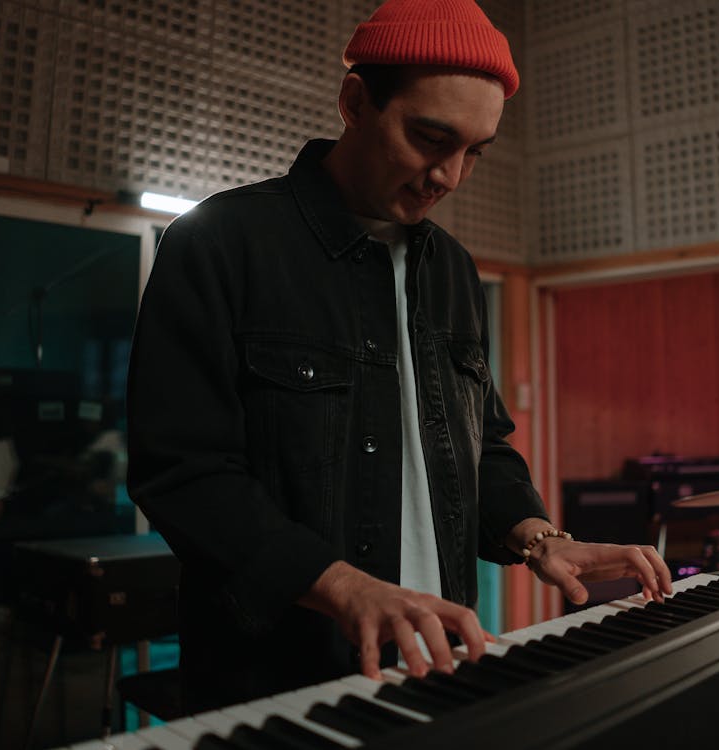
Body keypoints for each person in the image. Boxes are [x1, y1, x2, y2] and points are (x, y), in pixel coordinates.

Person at [127, 0, 672, 713]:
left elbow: (484, 447)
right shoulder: (220, 242)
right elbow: (183, 471)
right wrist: (345, 586)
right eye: (429, 137)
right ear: (356, 102)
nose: (447, 176)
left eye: (473, 151)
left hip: (436, 661)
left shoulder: (450, 267)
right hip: (275, 678)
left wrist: (542, 539)